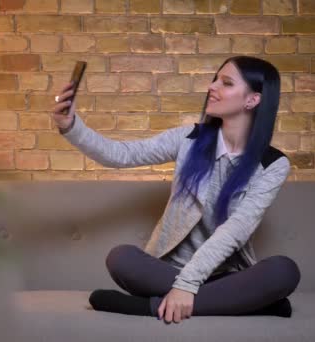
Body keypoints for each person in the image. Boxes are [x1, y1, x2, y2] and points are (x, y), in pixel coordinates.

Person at [50, 56, 301, 324]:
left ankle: (148, 307)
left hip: (227, 275)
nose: (211, 86)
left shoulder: (272, 164)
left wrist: (188, 285)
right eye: (215, 79)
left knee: (284, 271)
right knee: (121, 258)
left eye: (225, 83)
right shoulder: (189, 139)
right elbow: (121, 155)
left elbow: (237, 229)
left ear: (252, 100)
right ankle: (245, 304)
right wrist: (72, 127)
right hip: (169, 270)